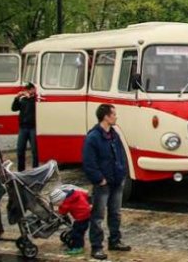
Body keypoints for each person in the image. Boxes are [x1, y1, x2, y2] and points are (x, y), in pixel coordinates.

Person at [82, 104, 131, 260]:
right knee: (98, 215)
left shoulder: (114, 134)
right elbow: (89, 162)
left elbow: (121, 155)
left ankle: (115, 241)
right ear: (106, 117)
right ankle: (96, 247)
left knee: (115, 213)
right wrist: (99, 179)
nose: (116, 117)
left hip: (116, 180)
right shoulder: (93, 137)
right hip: (103, 183)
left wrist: (122, 172)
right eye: (113, 114)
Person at [50, 185, 92, 256]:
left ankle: (78, 248)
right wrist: (89, 203)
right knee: (80, 231)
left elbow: (62, 212)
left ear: (60, 200)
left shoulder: (66, 203)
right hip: (87, 214)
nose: (57, 205)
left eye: (57, 204)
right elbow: (85, 194)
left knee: (77, 233)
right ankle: (78, 244)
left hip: (80, 218)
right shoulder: (77, 193)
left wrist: (57, 211)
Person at [11, 82, 38, 171]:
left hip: (33, 127)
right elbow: (14, 108)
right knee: (20, 150)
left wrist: (29, 97)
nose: (27, 91)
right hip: (23, 127)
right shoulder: (23, 100)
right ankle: (21, 170)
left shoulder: (36, 100)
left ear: (33, 89)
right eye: (26, 89)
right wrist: (16, 98)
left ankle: (35, 170)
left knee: (34, 150)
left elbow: (33, 105)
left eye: (29, 89)